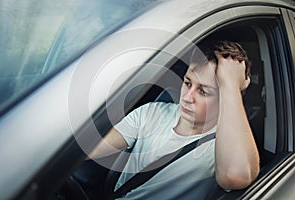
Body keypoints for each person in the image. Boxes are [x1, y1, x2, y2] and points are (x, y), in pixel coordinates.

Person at [90, 41, 260, 199]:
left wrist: (230, 85)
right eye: (187, 83)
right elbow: (94, 148)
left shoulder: (224, 147)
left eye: (203, 91)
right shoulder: (152, 112)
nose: (187, 97)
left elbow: (235, 176)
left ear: (226, 97)